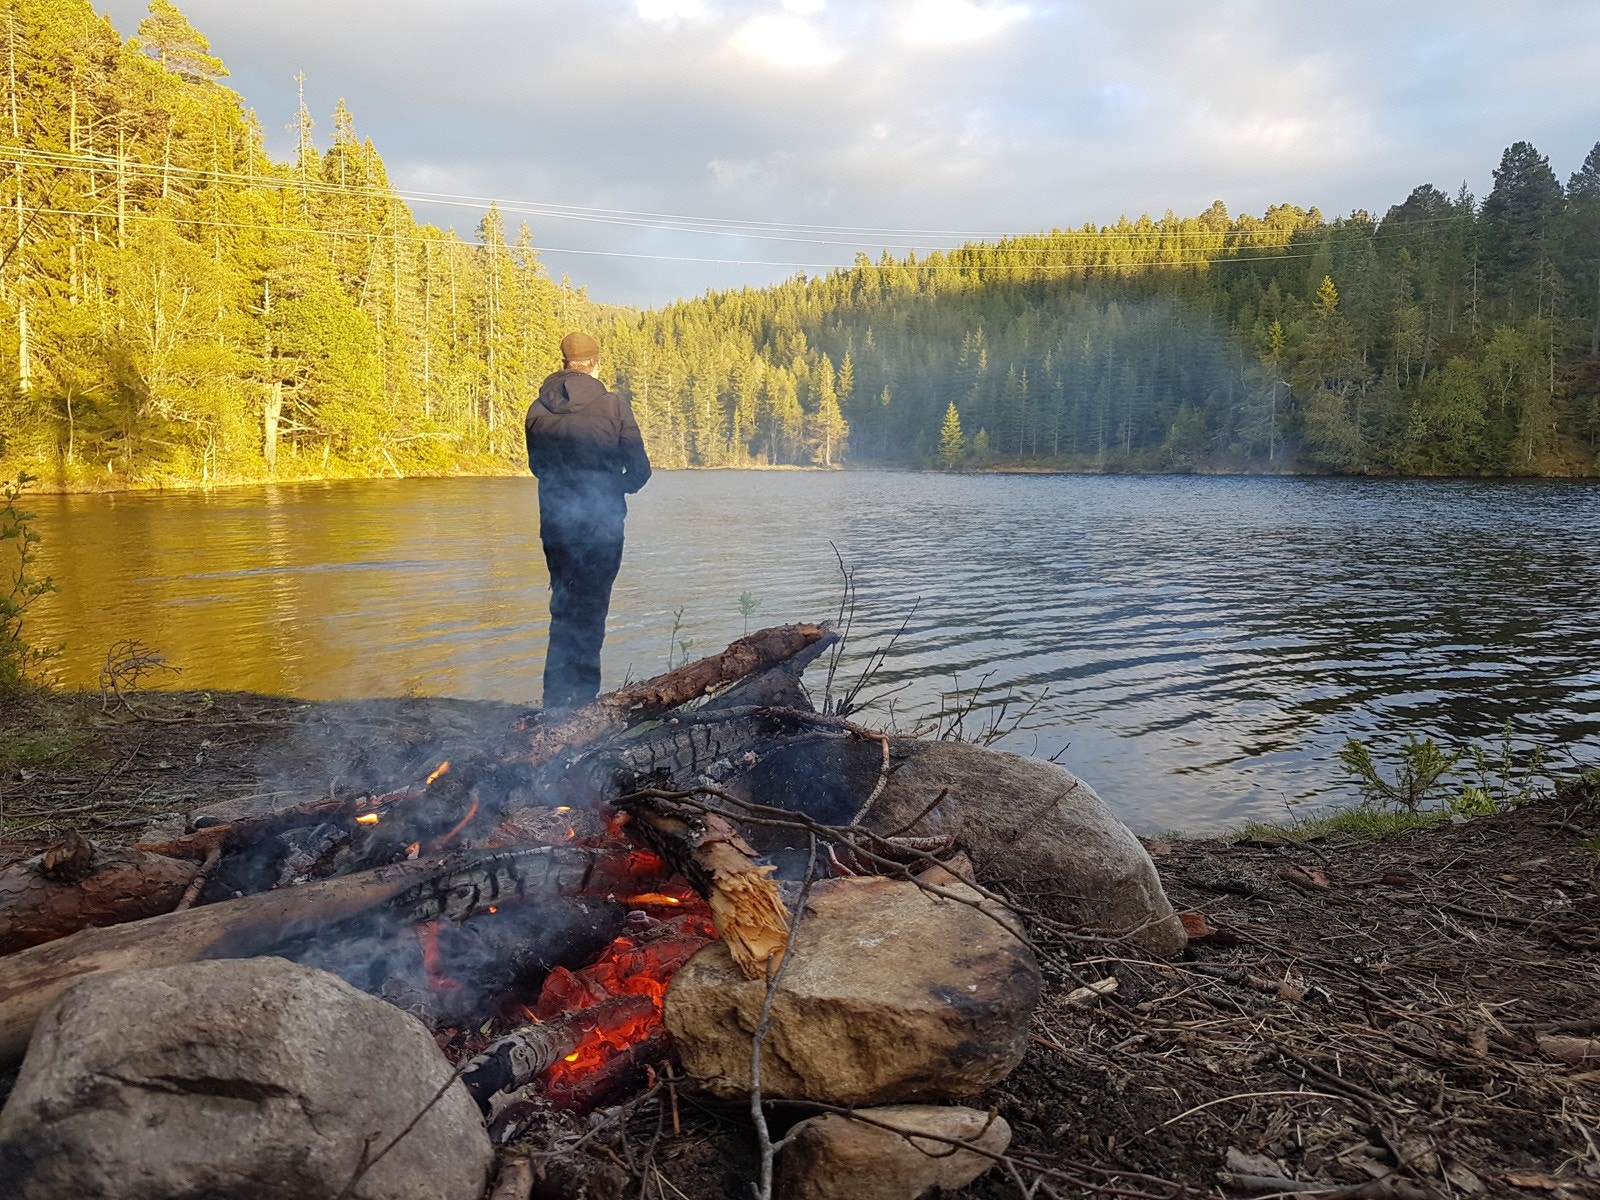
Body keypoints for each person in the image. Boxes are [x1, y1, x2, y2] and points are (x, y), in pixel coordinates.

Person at [524, 331, 652, 709]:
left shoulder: (537, 409)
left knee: (563, 608)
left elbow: (537, 467)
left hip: (556, 526)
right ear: (595, 362)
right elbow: (640, 470)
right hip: (601, 526)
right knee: (592, 610)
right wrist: (614, 488)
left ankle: (554, 702)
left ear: (564, 362)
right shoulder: (613, 405)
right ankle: (580, 707)